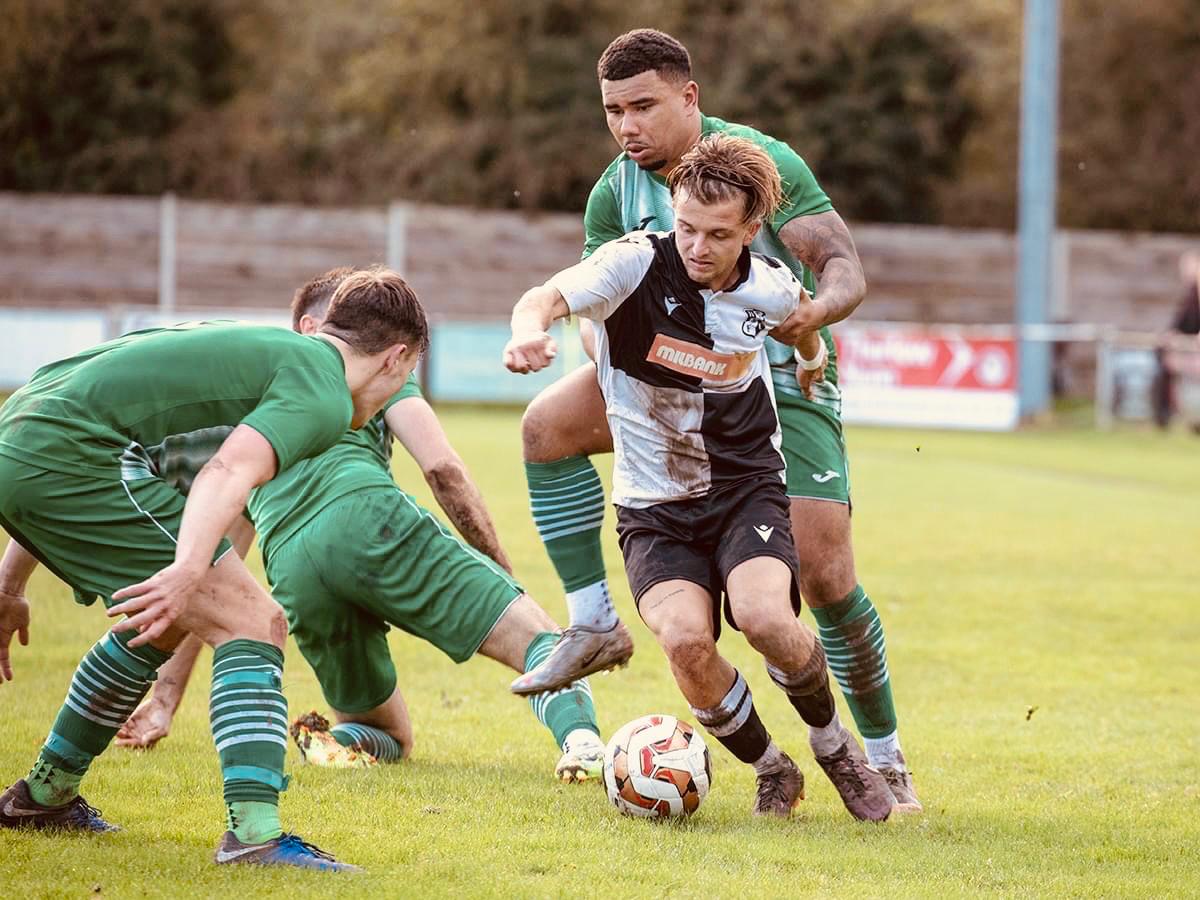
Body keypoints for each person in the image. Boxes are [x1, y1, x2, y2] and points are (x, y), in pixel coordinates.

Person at [516, 28, 919, 812]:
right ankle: (594, 623)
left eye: (643, 107)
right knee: (544, 427)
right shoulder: (614, 193)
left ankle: (883, 756)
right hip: (665, 380)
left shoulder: (762, 163)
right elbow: (597, 303)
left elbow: (841, 266)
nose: (627, 127)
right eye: (612, 111)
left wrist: (809, 323)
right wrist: (587, 346)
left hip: (773, 380)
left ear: (689, 98)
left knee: (826, 575)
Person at [0, 268, 428, 870]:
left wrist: (8, 583)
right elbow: (226, 472)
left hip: (26, 434)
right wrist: (186, 570)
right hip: (65, 454)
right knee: (256, 622)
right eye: (407, 379)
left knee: (170, 616)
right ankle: (254, 838)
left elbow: (72, 425)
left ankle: (42, 797)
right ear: (396, 358)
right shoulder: (323, 389)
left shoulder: (260, 355)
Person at [115, 267, 608, 784]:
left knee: (388, 734)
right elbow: (442, 467)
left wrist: (164, 701)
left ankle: (335, 739)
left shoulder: (259, 398)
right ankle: (584, 744)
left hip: (291, 567)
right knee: (543, 639)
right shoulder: (371, 366)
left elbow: (219, 564)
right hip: (367, 518)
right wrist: (503, 573)